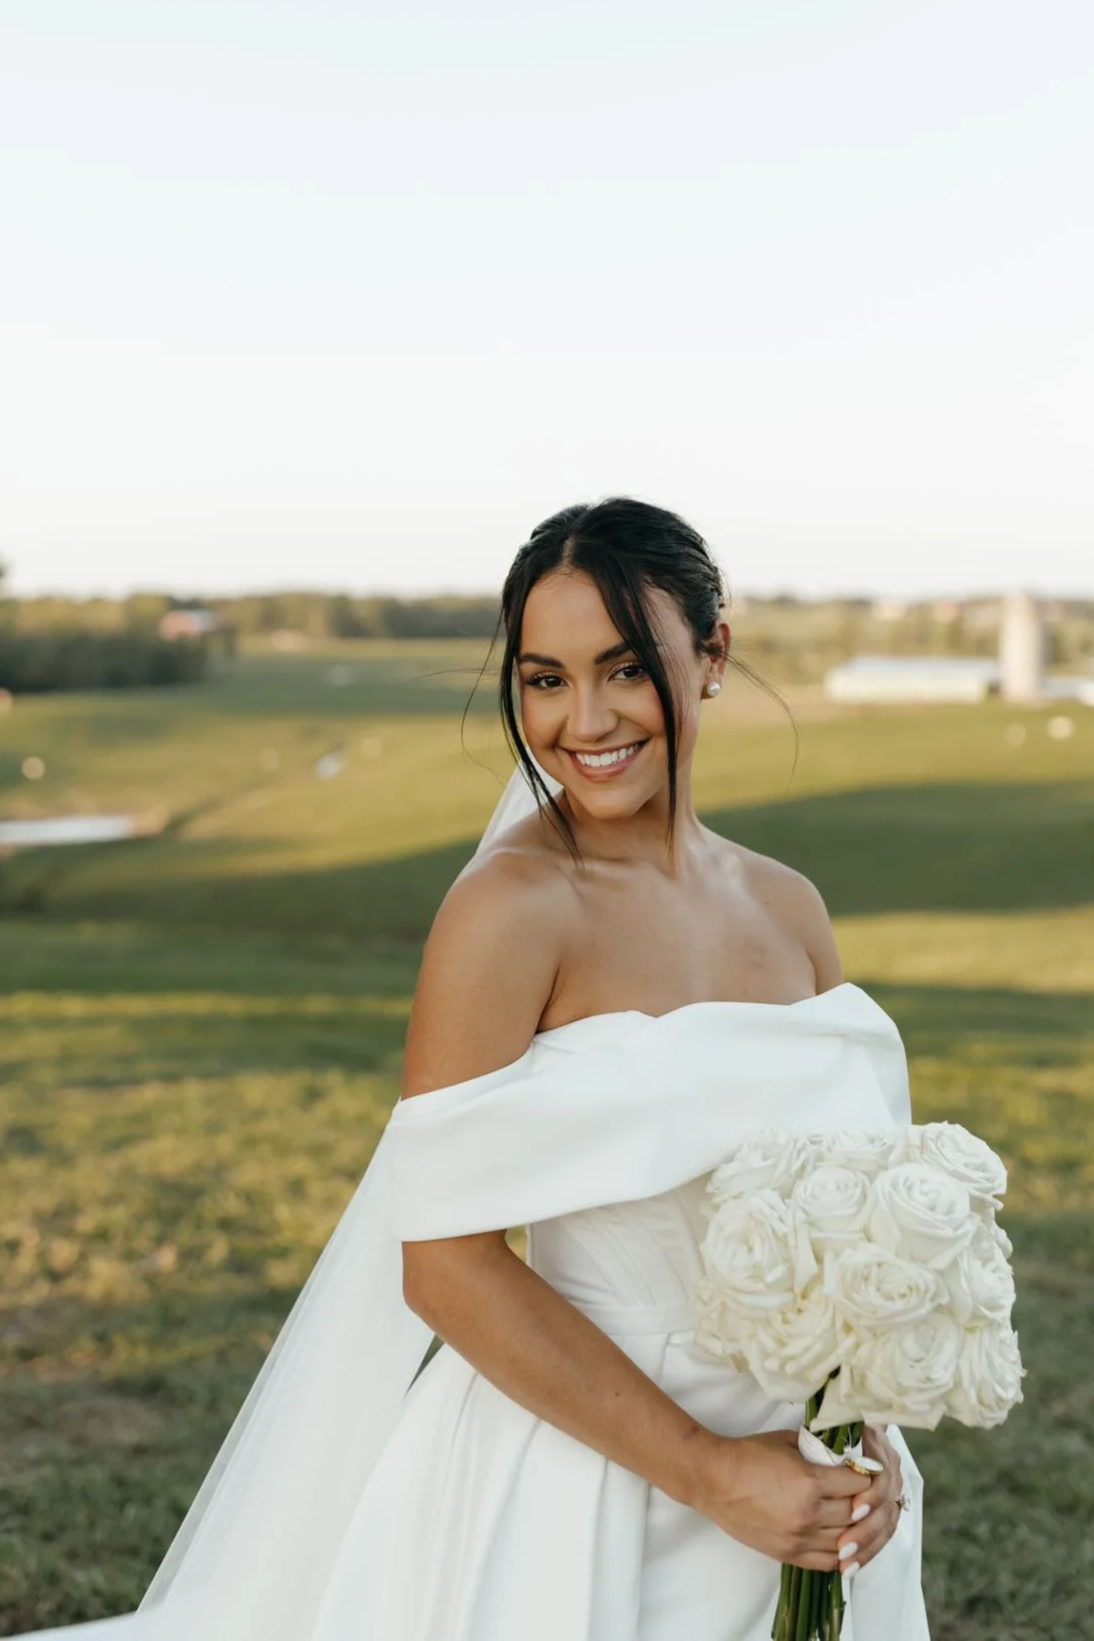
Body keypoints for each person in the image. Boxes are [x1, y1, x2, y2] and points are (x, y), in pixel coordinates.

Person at [16, 498, 928, 1641]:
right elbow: (446, 1268)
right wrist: (708, 1473)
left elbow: (858, 1226)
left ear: (712, 659)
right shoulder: (509, 911)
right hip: (587, 1497)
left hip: (812, 1487)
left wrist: (865, 1445)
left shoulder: (788, 910)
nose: (580, 720)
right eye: (543, 679)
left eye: (623, 669)